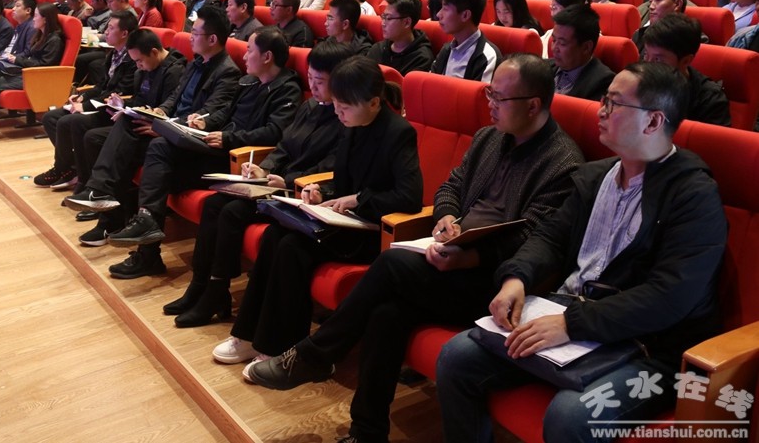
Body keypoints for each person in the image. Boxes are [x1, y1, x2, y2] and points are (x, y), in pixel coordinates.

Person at [246, 55, 585, 443]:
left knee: (391, 263)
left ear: (533, 104)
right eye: (489, 94)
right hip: (451, 253)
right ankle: (367, 432)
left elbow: (534, 239)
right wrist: (447, 217)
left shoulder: (562, 163)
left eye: (499, 97)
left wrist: (470, 256)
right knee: (386, 313)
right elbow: (450, 187)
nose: (490, 104)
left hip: (498, 283)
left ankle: (313, 355)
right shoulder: (489, 137)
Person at [437, 61, 727, 443]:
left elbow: (669, 296)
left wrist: (571, 324)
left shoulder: (693, 195)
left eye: (614, 104)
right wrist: (515, 278)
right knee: (457, 357)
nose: (601, 111)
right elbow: (550, 237)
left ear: (654, 121)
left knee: (571, 415)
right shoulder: (597, 175)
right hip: (575, 318)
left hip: (652, 349)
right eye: (603, 100)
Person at [211, 56, 423, 374]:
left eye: (345, 106)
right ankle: (248, 335)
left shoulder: (398, 132)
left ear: (374, 102)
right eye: (336, 104)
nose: (338, 112)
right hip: (342, 222)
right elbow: (342, 180)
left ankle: (284, 347)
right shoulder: (352, 125)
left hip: (371, 232)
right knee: (274, 234)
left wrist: (357, 199)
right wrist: (321, 192)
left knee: (291, 248)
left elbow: (409, 197)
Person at [167, 41, 353, 328]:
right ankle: (200, 283)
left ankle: (216, 290)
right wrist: (263, 168)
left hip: (300, 192)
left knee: (231, 211)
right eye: (311, 78)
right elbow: (284, 146)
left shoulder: (345, 117)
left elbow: (330, 167)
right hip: (275, 182)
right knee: (215, 202)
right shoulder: (310, 106)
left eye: (320, 81)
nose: (313, 87)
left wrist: (285, 180)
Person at [102, 26, 303, 278]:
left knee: (158, 159)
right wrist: (205, 121)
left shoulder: (287, 89)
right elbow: (226, 111)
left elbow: (274, 132)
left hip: (235, 160)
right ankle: (143, 234)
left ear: (267, 57)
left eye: (250, 50)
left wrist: (228, 138)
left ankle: (147, 249)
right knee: (157, 152)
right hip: (214, 146)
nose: (244, 55)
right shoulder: (249, 81)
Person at [65, 5, 241, 243]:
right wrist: (159, 112)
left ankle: (105, 205)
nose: (190, 37)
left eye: (195, 33)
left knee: (125, 142)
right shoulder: (196, 63)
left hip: (185, 140)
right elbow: (175, 98)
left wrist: (161, 126)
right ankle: (103, 200)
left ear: (212, 39)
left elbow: (206, 116)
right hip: (171, 127)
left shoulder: (228, 73)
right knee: (116, 127)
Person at [34, 11, 139, 190]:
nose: (106, 31)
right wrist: (83, 96)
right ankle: (68, 168)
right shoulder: (113, 54)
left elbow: (118, 93)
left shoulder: (133, 59)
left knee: (70, 121)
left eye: (111, 28)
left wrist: (84, 105)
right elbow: (101, 86)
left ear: (124, 33)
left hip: (112, 109)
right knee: (50, 117)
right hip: (99, 102)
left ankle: (74, 172)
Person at [0, 2, 66, 140]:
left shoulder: (54, 40)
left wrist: (17, 60)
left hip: (36, 78)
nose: (33, 19)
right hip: (25, 72)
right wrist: (13, 58)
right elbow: (28, 54)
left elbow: (44, 65)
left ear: (45, 19)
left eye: (36, 16)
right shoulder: (40, 35)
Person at [642, 13, 731, 127]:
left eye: (658, 59)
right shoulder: (638, 83)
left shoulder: (710, 100)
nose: (648, 65)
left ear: (686, 61)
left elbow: (711, 139)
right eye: (646, 55)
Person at [429, 0, 501, 82]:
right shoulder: (447, 49)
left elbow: (477, 93)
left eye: (445, 8)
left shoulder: (486, 56)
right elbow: (431, 84)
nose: (438, 14)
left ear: (465, 15)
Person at [549, 4, 615, 101]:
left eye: (562, 43)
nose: (554, 48)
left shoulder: (602, 82)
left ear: (586, 47)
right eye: (554, 40)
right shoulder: (544, 67)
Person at [366, 0, 434, 75]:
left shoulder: (421, 59)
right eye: (383, 17)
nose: (383, 23)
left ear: (407, 22)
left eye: (388, 18)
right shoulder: (377, 49)